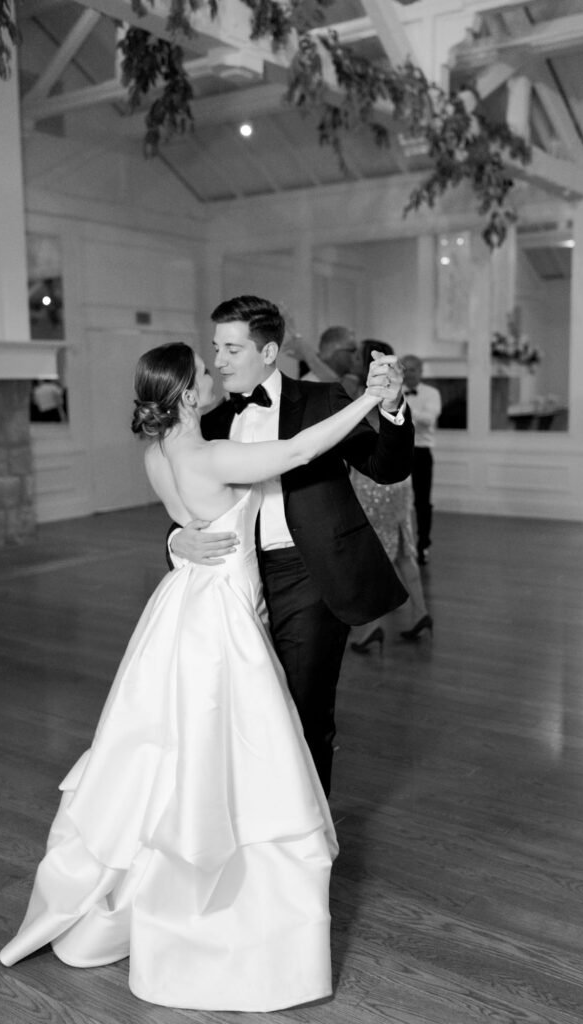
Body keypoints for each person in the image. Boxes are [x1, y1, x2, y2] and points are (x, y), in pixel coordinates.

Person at [0, 341, 395, 1011]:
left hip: (180, 608)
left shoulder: (157, 456)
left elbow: (187, 518)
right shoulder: (210, 455)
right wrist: (363, 399)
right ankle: (219, 884)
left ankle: (149, 871)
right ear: (184, 395)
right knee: (229, 750)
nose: (215, 374)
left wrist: (181, 538)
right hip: (222, 623)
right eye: (204, 372)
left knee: (167, 748)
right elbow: (299, 452)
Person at [169, 295, 414, 796]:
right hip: (232, 583)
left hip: (309, 573)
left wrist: (390, 408)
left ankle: (308, 843)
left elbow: (386, 468)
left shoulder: (323, 401)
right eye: (215, 348)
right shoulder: (210, 422)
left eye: (232, 349)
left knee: (303, 710)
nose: (218, 361)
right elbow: (186, 506)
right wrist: (177, 541)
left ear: (269, 351)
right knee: (242, 712)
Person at [340, 341, 433, 652]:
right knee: (405, 546)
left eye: (355, 354)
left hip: (372, 479)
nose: (351, 359)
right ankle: (420, 613)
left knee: (371, 552)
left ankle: (369, 628)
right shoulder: (392, 384)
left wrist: (304, 349)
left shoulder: (354, 388)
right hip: (399, 479)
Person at [401, 355, 441, 566]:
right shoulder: (395, 392)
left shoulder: (432, 393)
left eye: (413, 369)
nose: (409, 374)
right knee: (400, 499)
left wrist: (401, 406)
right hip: (398, 452)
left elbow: (428, 420)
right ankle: (401, 545)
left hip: (421, 453)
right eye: (405, 369)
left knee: (422, 502)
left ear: (421, 371)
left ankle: (423, 544)